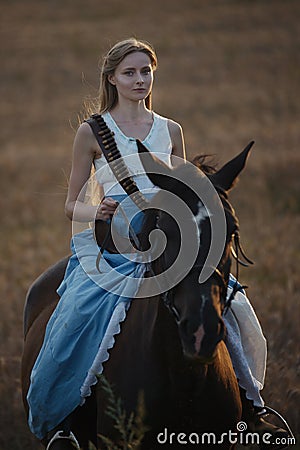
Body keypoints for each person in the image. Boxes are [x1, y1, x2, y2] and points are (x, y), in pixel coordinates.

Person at [26, 38, 290, 447]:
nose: (139, 80)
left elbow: (187, 193)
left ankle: (251, 406)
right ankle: (66, 423)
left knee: (235, 308)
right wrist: (95, 211)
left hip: (169, 245)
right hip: (113, 249)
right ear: (112, 78)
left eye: (145, 71)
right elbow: (70, 204)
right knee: (74, 317)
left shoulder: (170, 130)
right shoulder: (92, 132)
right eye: (129, 72)